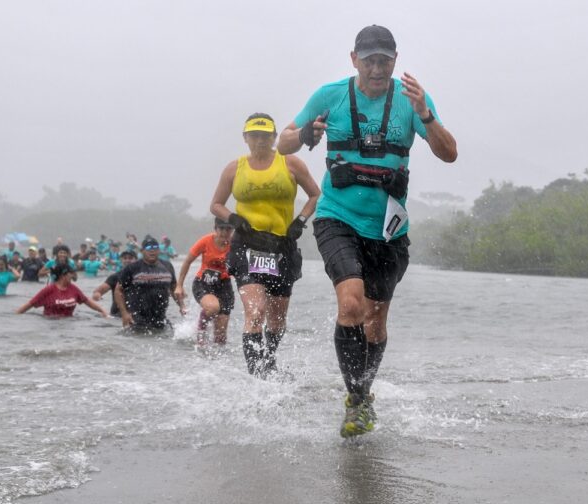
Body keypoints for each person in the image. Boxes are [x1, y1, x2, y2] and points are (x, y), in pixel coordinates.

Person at [276, 25, 457, 437]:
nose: (377, 68)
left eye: (385, 61)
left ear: (395, 61)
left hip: (389, 229)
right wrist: (305, 134)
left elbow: (449, 153)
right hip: (337, 217)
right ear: (354, 58)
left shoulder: (412, 102)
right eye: (370, 60)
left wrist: (426, 114)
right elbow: (283, 141)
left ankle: (364, 392)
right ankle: (356, 401)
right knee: (351, 305)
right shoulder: (330, 95)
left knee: (375, 322)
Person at [211, 112, 320, 377]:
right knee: (255, 311)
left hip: (281, 247)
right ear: (245, 138)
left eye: (265, 135)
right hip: (248, 246)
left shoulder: (291, 164)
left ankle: (269, 361)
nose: (260, 140)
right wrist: (233, 218)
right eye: (254, 135)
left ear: (274, 137)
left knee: (277, 319)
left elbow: (315, 194)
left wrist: (301, 220)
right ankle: (256, 376)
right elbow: (216, 204)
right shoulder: (234, 168)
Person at [174, 218, 235, 347]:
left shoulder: (235, 244)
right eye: (221, 229)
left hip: (224, 285)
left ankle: (217, 361)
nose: (225, 232)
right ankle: (200, 335)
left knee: (221, 338)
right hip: (203, 282)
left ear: (232, 230)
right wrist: (179, 285)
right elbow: (187, 261)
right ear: (216, 229)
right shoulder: (206, 241)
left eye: (228, 229)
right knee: (213, 307)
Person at [115, 236, 183, 333]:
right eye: (148, 248)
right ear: (142, 251)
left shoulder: (167, 266)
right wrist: (124, 314)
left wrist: (182, 306)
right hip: (137, 318)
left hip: (160, 318)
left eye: (155, 248)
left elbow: (173, 288)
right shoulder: (132, 268)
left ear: (159, 250)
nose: (152, 251)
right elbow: (118, 290)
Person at [16, 264, 108, 318]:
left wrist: (102, 311)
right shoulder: (48, 290)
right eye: (70, 274)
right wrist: (16, 316)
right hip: (51, 325)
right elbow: (29, 305)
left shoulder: (74, 289)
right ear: (63, 276)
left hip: (68, 326)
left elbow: (87, 301)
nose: (72, 276)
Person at [91, 250, 138, 316]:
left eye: (130, 258)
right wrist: (97, 296)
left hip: (135, 315)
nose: (127, 260)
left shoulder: (141, 277)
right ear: (121, 260)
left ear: (136, 260)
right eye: (125, 258)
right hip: (117, 315)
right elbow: (98, 291)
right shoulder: (115, 277)